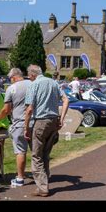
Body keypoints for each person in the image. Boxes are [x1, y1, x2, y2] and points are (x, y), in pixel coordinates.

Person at [24, 65, 69, 197]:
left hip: (41, 121)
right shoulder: (54, 82)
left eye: (29, 75)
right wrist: (62, 118)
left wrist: (25, 127)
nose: (29, 77)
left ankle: (42, 187)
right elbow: (66, 100)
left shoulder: (34, 85)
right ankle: (44, 182)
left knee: (36, 155)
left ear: (32, 75)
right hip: (53, 120)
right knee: (45, 154)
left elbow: (29, 109)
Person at [0, 68, 32, 187]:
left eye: (10, 79)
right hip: (35, 122)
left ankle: (20, 178)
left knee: (20, 151)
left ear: (13, 77)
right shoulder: (32, 84)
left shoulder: (12, 88)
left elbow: (6, 109)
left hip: (20, 123)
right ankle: (40, 176)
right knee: (37, 151)